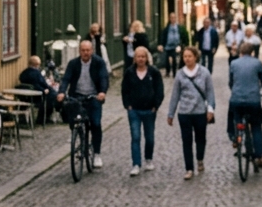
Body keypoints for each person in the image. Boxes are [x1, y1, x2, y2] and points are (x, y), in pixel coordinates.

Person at [57, 39, 110, 169]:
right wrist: (62, 92)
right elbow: (66, 79)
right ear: (79, 51)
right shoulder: (73, 64)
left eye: (88, 50)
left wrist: (102, 92)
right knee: (74, 119)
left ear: (91, 50)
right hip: (77, 96)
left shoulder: (98, 62)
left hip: (94, 96)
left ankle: (96, 154)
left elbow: (104, 78)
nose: (85, 53)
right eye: (83, 50)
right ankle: (77, 136)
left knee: (96, 124)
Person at [167, 46, 215, 180]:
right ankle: (189, 168)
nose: (187, 59)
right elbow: (175, 95)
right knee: (186, 141)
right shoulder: (180, 74)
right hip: (184, 113)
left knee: (201, 139)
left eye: (189, 56)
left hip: (200, 112)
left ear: (195, 57)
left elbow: (210, 92)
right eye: (185, 57)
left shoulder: (204, 72)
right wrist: (171, 113)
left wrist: (210, 109)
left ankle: (200, 158)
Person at [227, 42, 262, 171]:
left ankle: (235, 136)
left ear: (240, 52)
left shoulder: (234, 63)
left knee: (233, 115)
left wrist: (236, 91)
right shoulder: (257, 64)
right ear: (253, 52)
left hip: (237, 100)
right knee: (256, 127)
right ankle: (258, 156)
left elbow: (230, 82)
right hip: (253, 101)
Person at [120, 46, 164, 176]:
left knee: (149, 137)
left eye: (143, 56)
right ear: (135, 58)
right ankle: (136, 164)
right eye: (138, 56)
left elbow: (159, 90)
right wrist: (127, 105)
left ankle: (148, 159)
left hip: (149, 110)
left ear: (147, 58)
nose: (141, 59)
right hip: (134, 110)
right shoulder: (129, 72)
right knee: (135, 137)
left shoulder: (154, 72)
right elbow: (124, 90)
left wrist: (156, 105)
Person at [18, 56, 56, 121]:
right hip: (37, 95)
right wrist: (45, 89)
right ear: (37, 65)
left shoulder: (23, 73)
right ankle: (44, 117)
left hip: (25, 96)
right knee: (53, 95)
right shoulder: (36, 73)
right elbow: (41, 84)